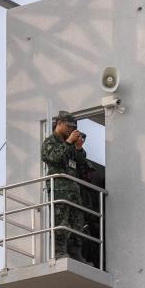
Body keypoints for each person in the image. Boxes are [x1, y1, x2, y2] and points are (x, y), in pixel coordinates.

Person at [41, 111, 88, 262]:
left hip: (73, 190)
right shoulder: (50, 142)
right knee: (60, 221)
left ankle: (76, 252)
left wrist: (79, 148)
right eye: (68, 126)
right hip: (59, 189)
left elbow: (82, 165)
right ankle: (59, 251)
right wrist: (68, 142)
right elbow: (54, 158)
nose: (70, 129)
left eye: (73, 127)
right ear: (59, 123)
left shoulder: (71, 144)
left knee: (77, 223)